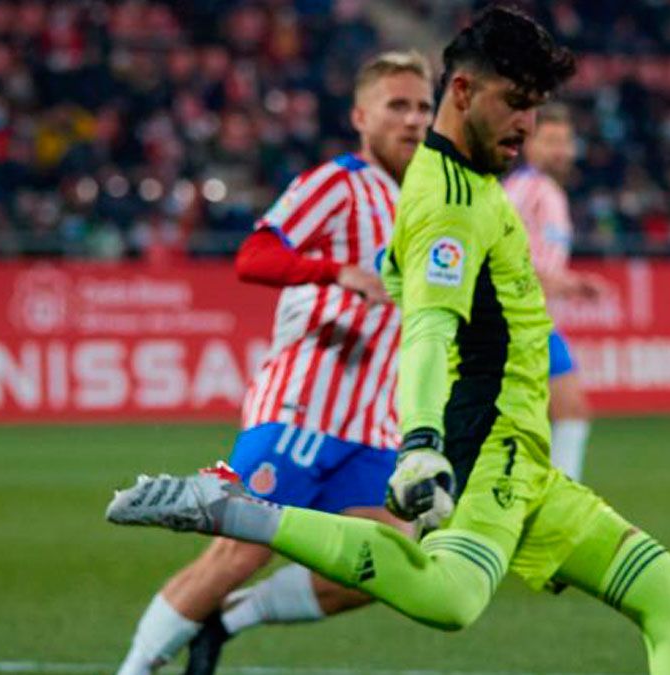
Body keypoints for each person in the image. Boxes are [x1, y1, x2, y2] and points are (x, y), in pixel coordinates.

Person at [107, 8, 670, 674]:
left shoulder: (455, 183)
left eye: (535, 108)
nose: (527, 126)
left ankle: (238, 586)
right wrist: (423, 442)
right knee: (450, 597)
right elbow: (429, 323)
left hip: (519, 456)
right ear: (463, 95)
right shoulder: (443, 201)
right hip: (480, 444)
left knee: (666, 591)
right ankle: (238, 517)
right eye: (514, 104)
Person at [116, 51, 434, 675]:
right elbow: (255, 256)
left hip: (374, 425)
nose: (414, 120)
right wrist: (335, 271)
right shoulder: (338, 184)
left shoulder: (429, 201)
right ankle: (132, 670)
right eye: (398, 106)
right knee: (237, 554)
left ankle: (232, 620)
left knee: (393, 566)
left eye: (423, 106)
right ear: (361, 116)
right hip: (303, 408)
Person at [502, 103, 604, 481]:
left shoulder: (549, 193)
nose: (561, 150)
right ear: (529, 144)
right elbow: (497, 251)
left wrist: (570, 283)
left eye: (565, 141)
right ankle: (561, 499)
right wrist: (569, 284)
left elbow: (540, 260)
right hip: (514, 319)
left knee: (562, 413)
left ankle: (553, 497)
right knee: (569, 410)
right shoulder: (525, 190)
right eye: (551, 141)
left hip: (534, 320)